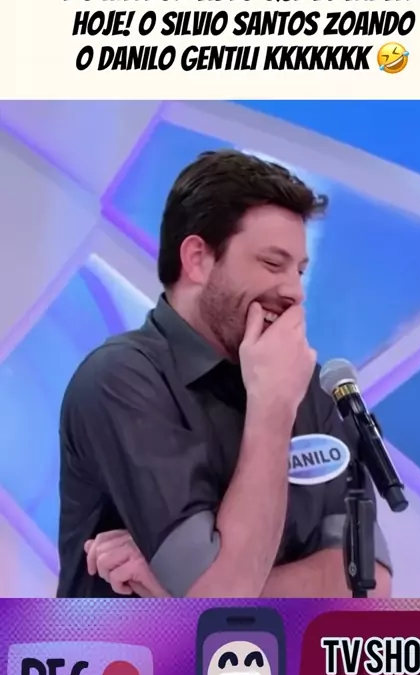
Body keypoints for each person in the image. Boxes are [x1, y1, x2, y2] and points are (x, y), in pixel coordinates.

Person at [57, 149, 392, 598]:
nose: (294, 291)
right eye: (272, 264)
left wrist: (171, 589)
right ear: (198, 259)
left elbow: (370, 585)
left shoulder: (308, 386)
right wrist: (271, 410)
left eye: (299, 271)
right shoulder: (120, 379)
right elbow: (219, 599)